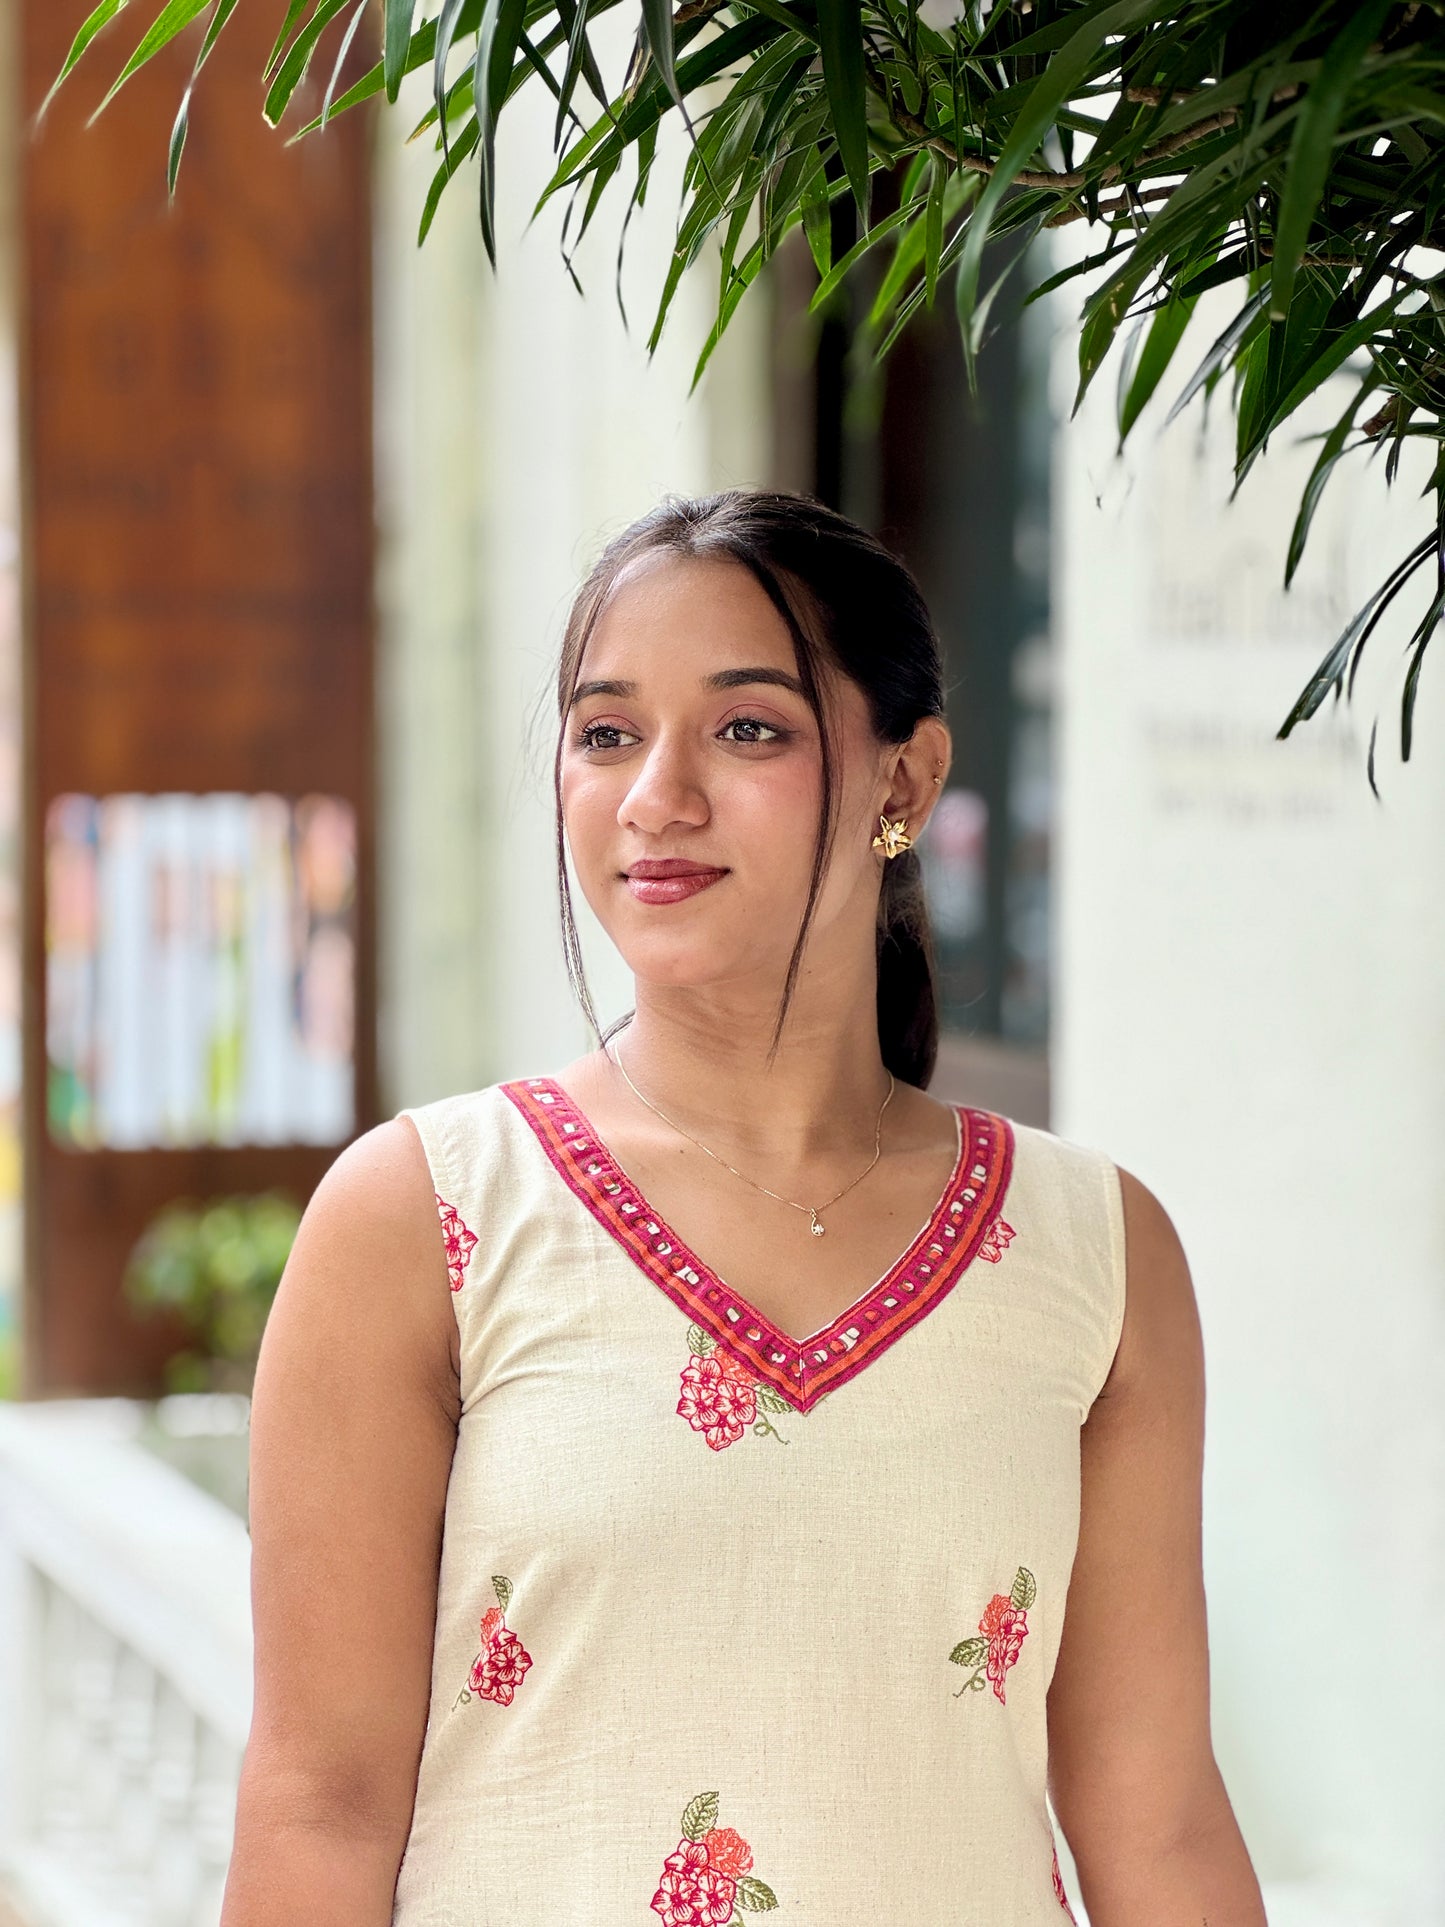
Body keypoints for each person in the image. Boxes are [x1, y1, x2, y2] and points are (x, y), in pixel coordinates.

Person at [221, 489, 1266, 1926]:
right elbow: (320, 1807)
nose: (656, 793)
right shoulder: (429, 1218)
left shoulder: (1094, 1249)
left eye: (747, 727)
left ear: (903, 783)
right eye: (604, 734)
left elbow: (1154, 1824)